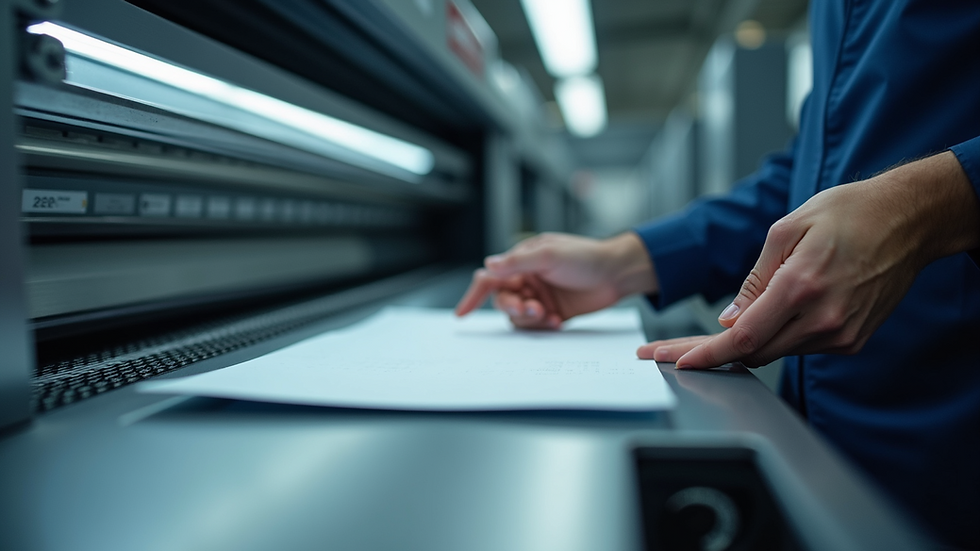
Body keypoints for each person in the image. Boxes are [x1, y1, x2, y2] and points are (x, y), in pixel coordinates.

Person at [456, 1, 980, 548]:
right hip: (829, 434)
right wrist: (623, 261)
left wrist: (940, 201)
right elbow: (815, 171)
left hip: (951, 428)